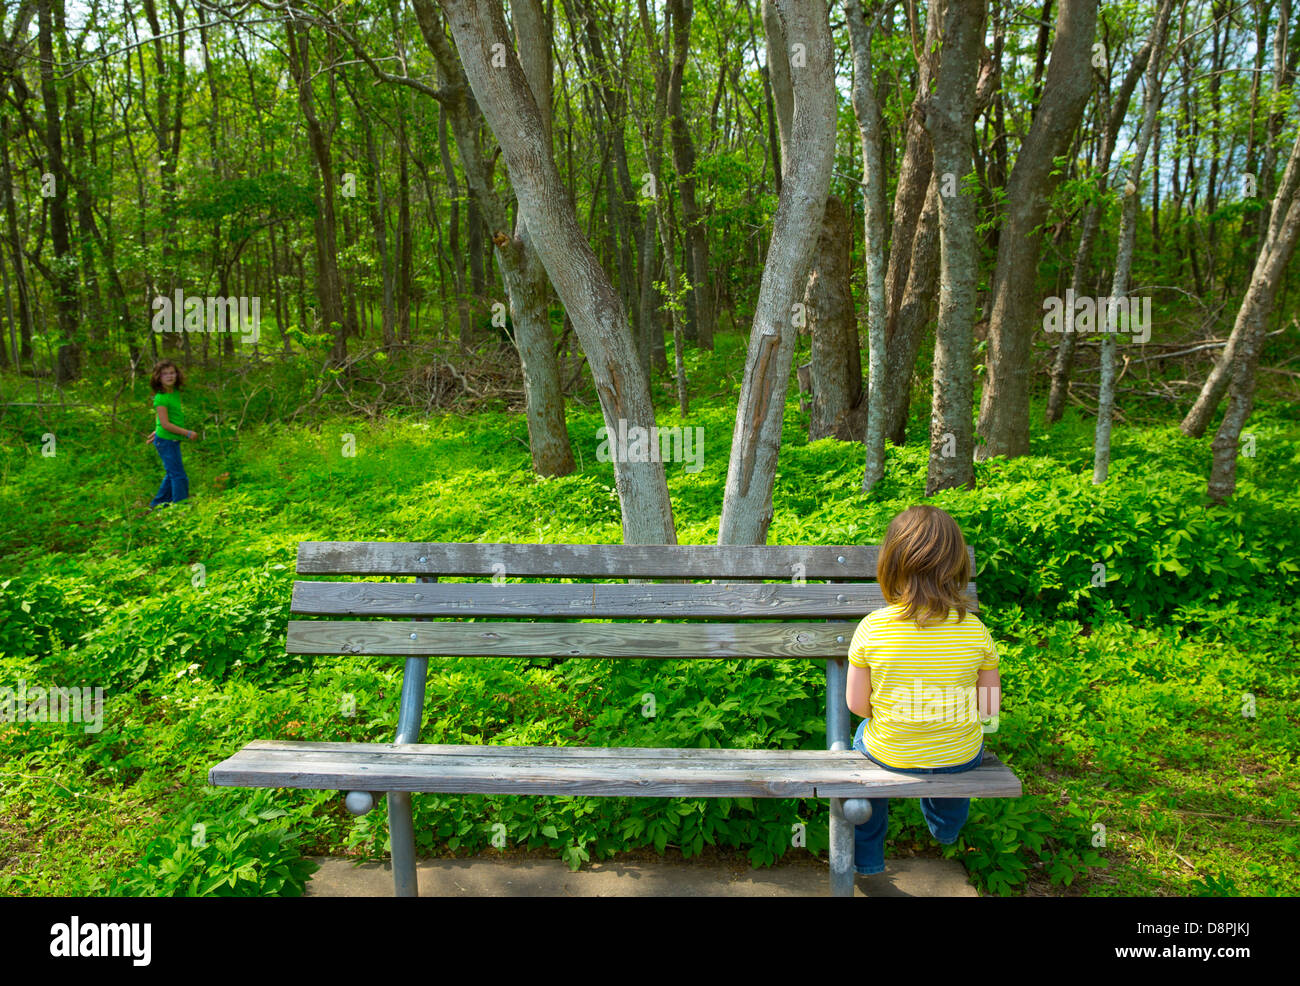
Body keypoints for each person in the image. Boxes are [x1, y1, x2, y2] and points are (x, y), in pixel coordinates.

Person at [846, 504, 1001, 876]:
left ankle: (867, 860)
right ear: (958, 566)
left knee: (862, 742)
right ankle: (946, 828)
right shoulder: (976, 631)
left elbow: (856, 706)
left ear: (891, 565)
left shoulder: (872, 628)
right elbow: (989, 709)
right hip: (958, 754)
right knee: (958, 749)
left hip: (890, 753)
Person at [144, 360, 198, 510]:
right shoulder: (161, 398)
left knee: (171, 474)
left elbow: (162, 420)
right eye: (165, 374)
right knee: (179, 476)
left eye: (172, 373)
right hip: (166, 441)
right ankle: (181, 508)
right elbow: (166, 424)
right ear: (158, 377)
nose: (169, 376)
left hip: (168, 439)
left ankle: (156, 505)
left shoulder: (174, 392)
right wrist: (187, 433)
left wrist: (157, 429)